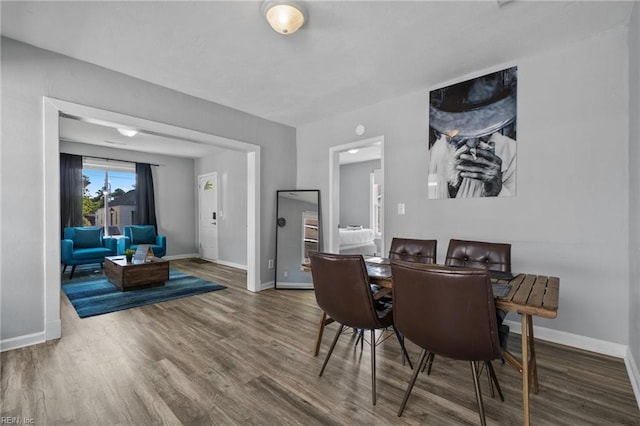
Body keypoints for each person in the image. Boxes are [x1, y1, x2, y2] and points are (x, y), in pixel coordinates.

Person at [428, 67, 517, 199]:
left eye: (483, 131)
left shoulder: (512, 152)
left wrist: (496, 191)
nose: (473, 143)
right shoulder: (435, 151)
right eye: (463, 131)